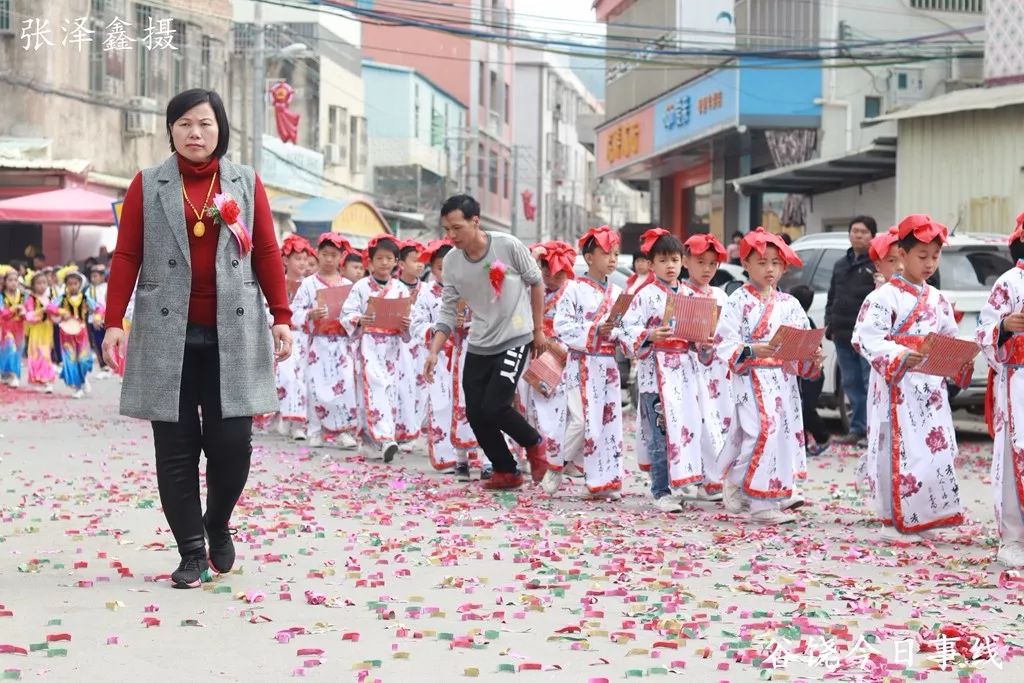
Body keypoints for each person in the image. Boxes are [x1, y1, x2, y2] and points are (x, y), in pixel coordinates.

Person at [101, 88, 293, 589]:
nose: (194, 133)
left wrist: (282, 314)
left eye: (204, 124)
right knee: (176, 447)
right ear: (170, 129)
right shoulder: (149, 184)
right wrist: (113, 321)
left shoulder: (245, 182)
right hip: (169, 334)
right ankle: (191, 552)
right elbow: (126, 256)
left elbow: (267, 251)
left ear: (220, 129)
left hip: (234, 330)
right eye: (184, 123)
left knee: (234, 445)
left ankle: (217, 522)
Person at [423, 194, 549, 491]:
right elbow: (448, 308)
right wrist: (433, 350)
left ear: (475, 222)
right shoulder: (452, 262)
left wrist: (538, 329)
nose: (451, 235)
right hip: (480, 341)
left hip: (515, 336)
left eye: (457, 228)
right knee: (476, 411)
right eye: (447, 229)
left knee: (495, 405)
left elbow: (536, 281)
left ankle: (534, 444)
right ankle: (507, 470)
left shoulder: (507, 245)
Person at [852, 214, 966, 539]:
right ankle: (892, 518)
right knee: (896, 450)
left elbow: (948, 336)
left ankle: (923, 514)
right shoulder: (882, 297)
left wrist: (956, 358)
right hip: (896, 385)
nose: (930, 264)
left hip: (929, 387)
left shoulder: (938, 299)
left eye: (935, 256)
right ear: (901, 254)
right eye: (922, 256)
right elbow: (866, 337)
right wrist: (901, 353)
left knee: (932, 450)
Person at [716, 227, 822, 525]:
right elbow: (724, 342)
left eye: (775, 262)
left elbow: (802, 341)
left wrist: (811, 355)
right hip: (751, 376)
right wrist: (752, 350)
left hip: (782, 379)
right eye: (762, 262)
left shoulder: (790, 304)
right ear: (746, 264)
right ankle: (761, 503)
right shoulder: (737, 301)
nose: (770, 269)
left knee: (779, 435)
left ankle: (749, 484)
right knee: (763, 432)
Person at [619, 229, 705, 513]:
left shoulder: (692, 294)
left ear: (683, 262)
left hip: (685, 370)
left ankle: (681, 480)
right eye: (663, 260)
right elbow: (627, 329)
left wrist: (703, 339)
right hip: (655, 371)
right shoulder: (643, 295)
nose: (670, 265)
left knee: (685, 428)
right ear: (651, 263)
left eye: (675, 259)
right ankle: (660, 489)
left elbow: (703, 336)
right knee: (659, 432)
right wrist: (649, 335)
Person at [546, 226, 625, 500]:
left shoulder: (617, 292)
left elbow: (624, 328)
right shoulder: (573, 289)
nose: (613, 259)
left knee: (606, 425)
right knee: (581, 421)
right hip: (582, 363)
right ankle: (556, 465)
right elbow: (562, 325)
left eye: (616, 253)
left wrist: (618, 334)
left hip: (607, 366)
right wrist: (595, 330)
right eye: (606, 253)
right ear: (589, 257)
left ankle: (602, 481)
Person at [410, 239, 481, 475]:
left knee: (470, 404)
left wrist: (469, 324)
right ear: (433, 268)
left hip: (469, 354)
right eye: (441, 268)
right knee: (441, 405)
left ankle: (474, 454)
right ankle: (446, 457)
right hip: (441, 357)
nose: (447, 274)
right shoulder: (427, 293)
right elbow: (416, 324)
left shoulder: (474, 290)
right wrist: (436, 329)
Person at [341, 234, 414, 463]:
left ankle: (370, 440)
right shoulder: (361, 286)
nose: (384, 263)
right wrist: (360, 319)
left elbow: (409, 320)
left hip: (392, 348)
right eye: (379, 258)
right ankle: (385, 438)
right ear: (370, 262)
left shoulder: (401, 289)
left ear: (396, 263)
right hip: (369, 345)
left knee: (388, 391)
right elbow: (347, 313)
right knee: (374, 388)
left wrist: (405, 325)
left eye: (389, 258)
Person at [977, 213, 1024, 567]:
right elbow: (985, 329)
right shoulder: (1010, 282)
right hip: (1018, 380)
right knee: (1013, 455)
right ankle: (1013, 536)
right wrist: (1005, 326)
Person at [293, 234, 361, 449]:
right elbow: (294, 311)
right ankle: (315, 429)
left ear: (341, 257)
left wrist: (351, 318)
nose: (329, 259)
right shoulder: (308, 284)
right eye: (324, 254)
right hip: (318, 343)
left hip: (342, 344)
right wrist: (309, 315)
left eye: (334, 255)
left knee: (345, 386)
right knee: (316, 386)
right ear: (317, 254)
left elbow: (357, 312)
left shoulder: (349, 285)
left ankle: (344, 430)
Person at [678, 233, 731, 501]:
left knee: (719, 422)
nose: (707, 269)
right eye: (701, 262)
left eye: (712, 263)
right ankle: (700, 478)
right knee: (696, 423)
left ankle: (715, 479)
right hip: (688, 367)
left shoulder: (722, 295)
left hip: (718, 370)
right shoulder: (680, 293)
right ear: (685, 261)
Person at [522, 240, 576, 487]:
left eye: (559, 274)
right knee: (529, 407)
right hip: (534, 352)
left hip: (562, 356)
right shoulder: (534, 288)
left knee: (560, 411)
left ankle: (559, 459)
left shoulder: (573, 291)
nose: (552, 278)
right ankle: (532, 456)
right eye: (546, 272)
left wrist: (559, 345)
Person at [824, 215, 878, 446]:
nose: (858, 235)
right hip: (842, 333)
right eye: (854, 231)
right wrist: (830, 323)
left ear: (873, 237)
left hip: (866, 336)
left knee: (869, 382)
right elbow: (832, 296)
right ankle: (856, 429)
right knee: (850, 383)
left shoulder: (877, 265)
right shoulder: (840, 264)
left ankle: (872, 430)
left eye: (863, 232)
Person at [789, 285, 830, 457]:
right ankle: (803, 444)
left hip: (810, 376)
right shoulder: (805, 319)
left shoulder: (802, 321)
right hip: (809, 375)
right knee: (800, 407)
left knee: (805, 409)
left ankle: (822, 438)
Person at [396, 241, 427, 451]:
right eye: (414, 260)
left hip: (422, 345)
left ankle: (419, 432)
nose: (419, 265)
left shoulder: (428, 289)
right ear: (401, 263)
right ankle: (402, 430)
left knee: (422, 387)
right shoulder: (392, 287)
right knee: (402, 386)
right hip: (399, 344)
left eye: (422, 261)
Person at [53, 269, 97, 399]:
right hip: (66, 333)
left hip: (81, 332)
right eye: (70, 284)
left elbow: (98, 307)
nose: (72, 286)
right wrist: (62, 312)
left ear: (80, 284)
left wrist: (97, 317)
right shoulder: (62, 298)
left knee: (83, 360)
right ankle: (78, 386)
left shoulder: (85, 297)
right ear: (66, 285)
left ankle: (83, 379)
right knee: (71, 360)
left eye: (75, 283)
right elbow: (50, 307)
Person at [24, 271, 57, 393]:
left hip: (47, 329)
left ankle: (47, 379)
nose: (42, 285)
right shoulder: (31, 299)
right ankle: (39, 378)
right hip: (36, 330)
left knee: (46, 354)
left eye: (44, 282)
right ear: (33, 285)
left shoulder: (50, 297)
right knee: (36, 354)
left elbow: (56, 312)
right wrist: (41, 311)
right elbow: (28, 315)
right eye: (38, 283)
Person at [0, 266, 26, 387]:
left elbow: (28, 309)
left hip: (19, 326)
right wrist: (12, 309)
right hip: (7, 327)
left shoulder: (22, 296)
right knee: (10, 349)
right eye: (10, 280)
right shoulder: (2, 297)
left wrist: (24, 312)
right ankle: (12, 376)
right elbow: (2, 313)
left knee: (18, 351)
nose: (13, 283)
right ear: (5, 282)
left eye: (15, 280)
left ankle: (10, 374)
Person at [84, 264, 109, 376]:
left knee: (109, 341)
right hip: (93, 320)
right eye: (92, 276)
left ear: (102, 276)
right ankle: (103, 365)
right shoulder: (89, 290)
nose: (93, 278)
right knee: (98, 342)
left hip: (106, 318)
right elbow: (88, 305)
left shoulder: (108, 287)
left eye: (96, 276)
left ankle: (112, 363)